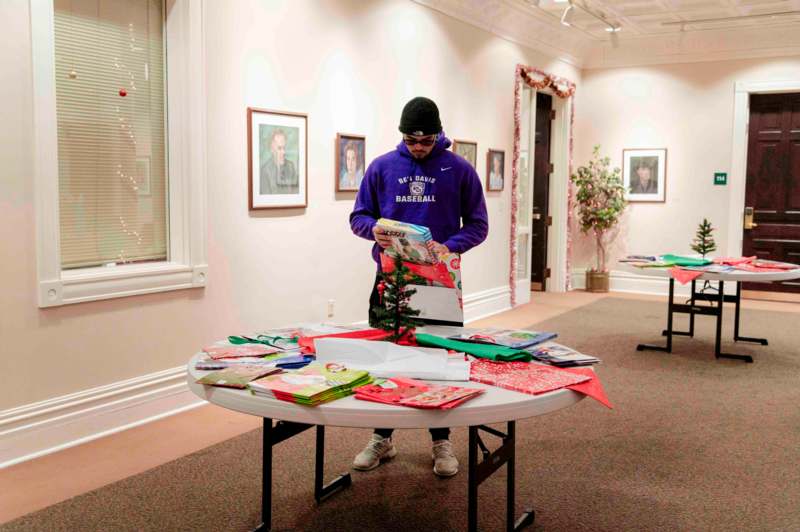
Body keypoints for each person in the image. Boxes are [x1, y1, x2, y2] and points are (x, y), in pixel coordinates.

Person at [349, 96, 489, 477]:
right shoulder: (381, 167)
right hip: (390, 280)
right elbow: (358, 216)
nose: (419, 148)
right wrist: (372, 230)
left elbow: (479, 224)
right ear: (402, 136)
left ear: (438, 134)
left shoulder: (459, 169)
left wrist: (451, 246)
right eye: (412, 141)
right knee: (386, 359)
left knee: (437, 362)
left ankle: (441, 442)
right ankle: (382, 437)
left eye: (426, 141)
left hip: (440, 282)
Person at [260, 128, 298, 195]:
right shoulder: (265, 171)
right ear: (272, 149)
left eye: (284, 148)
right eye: (279, 148)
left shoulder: (291, 166)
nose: (283, 152)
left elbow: (296, 194)